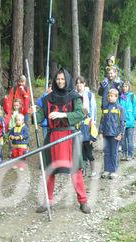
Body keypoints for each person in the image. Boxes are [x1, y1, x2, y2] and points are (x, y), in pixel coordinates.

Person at [31, 68, 91, 214]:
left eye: (63, 79)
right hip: (52, 138)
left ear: (67, 80)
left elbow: (80, 114)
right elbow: (38, 118)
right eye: (58, 79)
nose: (60, 81)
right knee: (49, 171)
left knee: (75, 170)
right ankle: (47, 201)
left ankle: (83, 201)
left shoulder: (74, 97)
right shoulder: (47, 99)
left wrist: (61, 115)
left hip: (69, 137)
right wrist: (32, 113)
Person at [99, 88, 125, 179]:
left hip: (115, 135)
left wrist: (121, 134)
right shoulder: (105, 108)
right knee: (106, 152)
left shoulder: (120, 108)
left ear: (116, 97)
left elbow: (122, 122)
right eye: (109, 96)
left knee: (114, 153)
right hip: (106, 134)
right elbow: (102, 121)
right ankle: (106, 169)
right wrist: (100, 131)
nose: (110, 97)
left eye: (112, 96)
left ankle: (113, 170)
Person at [119, 81, 136, 161]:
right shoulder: (120, 97)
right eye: (123, 86)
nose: (125, 88)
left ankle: (130, 154)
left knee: (130, 139)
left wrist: (133, 118)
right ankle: (124, 154)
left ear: (129, 87)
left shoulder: (132, 96)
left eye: (126, 86)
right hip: (122, 122)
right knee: (123, 139)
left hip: (130, 121)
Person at [78, 104, 98, 177]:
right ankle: (84, 171)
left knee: (89, 155)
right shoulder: (78, 122)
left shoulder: (89, 120)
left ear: (85, 113)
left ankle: (93, 171)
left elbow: (94, 130)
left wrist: (92, 139)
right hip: (81, 141)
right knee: (83, 156)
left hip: (88, 141)